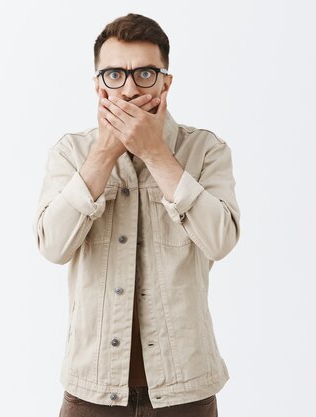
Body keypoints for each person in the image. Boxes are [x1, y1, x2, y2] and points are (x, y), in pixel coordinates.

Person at [33, 13, 241, 417]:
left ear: (166, 81)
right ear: (97, 84)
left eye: (145, 73)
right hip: (91, 392)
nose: (128, 89)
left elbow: (221, 240)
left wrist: (155, 153)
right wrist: (104, 154)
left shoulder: (207, 151)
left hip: (186, 391)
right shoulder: (71, 153)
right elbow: (52, 246)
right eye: (114, 75)